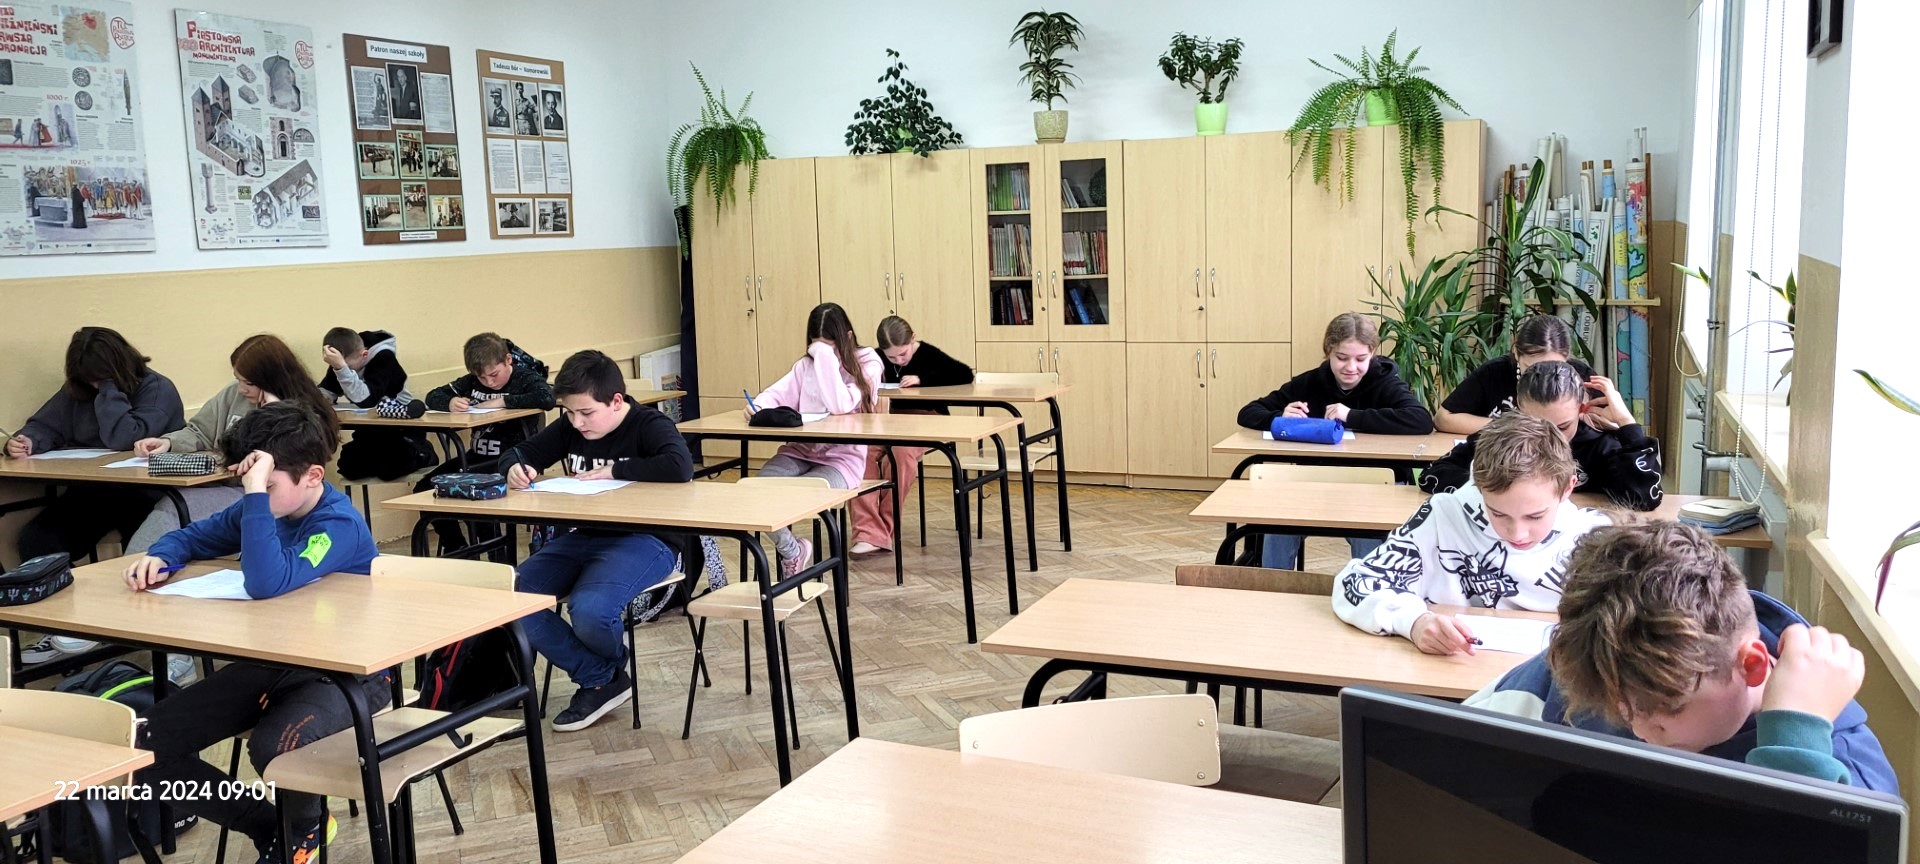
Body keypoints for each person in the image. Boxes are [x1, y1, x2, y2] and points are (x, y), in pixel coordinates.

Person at [128, 400, 386, 864]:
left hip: (347, 675)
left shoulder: (336, 525)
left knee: (276, 746)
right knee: (142, 747)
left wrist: (253, 498)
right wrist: (162, 555)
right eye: (252, 484)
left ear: (313, 476)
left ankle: (301, 830)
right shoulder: (270, 507)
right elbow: (191, 537)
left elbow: (266, 582)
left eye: (266, 485)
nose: (256, 495)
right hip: (273, 665)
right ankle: (271, 826)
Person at [1465, 521, 1898, 793]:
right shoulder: (1608, 666)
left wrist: (1793, 752)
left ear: (1751, 666)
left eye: (1665, 709)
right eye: (1621, 708)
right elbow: (1456, 754)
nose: (1638, 727)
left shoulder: (1846, 775)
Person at [500, 350, 692, 731]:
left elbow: (680, 464)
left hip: (647, 538)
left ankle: (602, 677)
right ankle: (602, 675)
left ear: (616, 401)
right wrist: (515, 468)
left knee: (589, 610)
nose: (577, 422)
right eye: (569, 413)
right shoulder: (571, 425)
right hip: (585, 535)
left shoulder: (648, 424)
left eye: (586, 413)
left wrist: (616, 470)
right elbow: (522, 451)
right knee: (509, 597)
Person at [1332, 412, 1610, 654]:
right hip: (1451, 674)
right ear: (1477, 484)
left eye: (1535, 516)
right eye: (1498, 513)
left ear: (1568, 488)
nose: (1517, 534)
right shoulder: (1443, 516)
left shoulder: (1595, 540)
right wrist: (1414, 622)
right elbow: (1355, 582)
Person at [1236, 312, 1433, 569]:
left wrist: (1351, 416)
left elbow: (1421, 420)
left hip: (1371, 486)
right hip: (1315, 482)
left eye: (1361, 359)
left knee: (1369, 535)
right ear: (1328, 351)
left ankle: (1366, 587)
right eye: (1341, 358)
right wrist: (1280, 418)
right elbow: (1248, 412)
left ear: (1373, 353)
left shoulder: (1385, 383)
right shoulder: (1310, 382)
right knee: (1277, 526)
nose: (1351, 367)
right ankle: (1272, 585)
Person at [126, 334, 340, 553]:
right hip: (219, 484)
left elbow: (289, 459)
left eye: (249, 383)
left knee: (173, 506)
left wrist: (275, 414)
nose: (241, 389)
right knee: (149, 503)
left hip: (260, 491)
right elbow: (200, 430)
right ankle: (145, 560)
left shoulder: (305, 410)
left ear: (272, 379)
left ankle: (139, 560)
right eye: (238, 380)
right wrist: (168, 443)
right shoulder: (231, 395)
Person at [7, 327, 184, 564]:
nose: (93, 384)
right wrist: (28, 440)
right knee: (37, 539)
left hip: (148, 490)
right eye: (89, 379)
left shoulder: (157, 389)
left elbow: (125, 438)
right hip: (95, 490)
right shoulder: (80, 388)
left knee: (142, 545)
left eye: (99, 377)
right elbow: (48, 423)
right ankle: (65, 586)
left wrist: (109, 389)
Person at [750, 303, 885, 574]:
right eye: (816, 346)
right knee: (756, 491)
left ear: (847, 337)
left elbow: (840, 404)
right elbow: (775, 394)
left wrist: (825, 357)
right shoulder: (805, 366)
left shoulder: (868, 363)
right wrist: (758, 406)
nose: (821, 353)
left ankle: (798, 559)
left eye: (829, 346)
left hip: (842, 460)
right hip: (799, 451)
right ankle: (793, 551)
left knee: (799, 494)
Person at [1422, 360, 1663, 510]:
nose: (1550, 438)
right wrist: (1499, 489)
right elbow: (1433, 474)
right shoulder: (1500, 437)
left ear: (1582, 409)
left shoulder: (1600, 446)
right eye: (1536, 425)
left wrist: (1627, 423)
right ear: (1518, 410)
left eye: (1562, 427)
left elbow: (1645, 498)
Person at [416, 333, 553, 555]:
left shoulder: (524, 378)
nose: (489, 382)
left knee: (480, 496)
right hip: (476, 458)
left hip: (510, 460)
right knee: (425, 487)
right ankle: (457, 546)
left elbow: (546, 397)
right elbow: (433, 396)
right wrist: (450, 402)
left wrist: (503, 401)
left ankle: (498, 558)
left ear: (508, 360)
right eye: (482, 377)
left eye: (494, 375)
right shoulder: (471, 382)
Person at [848, 315, 973, 557]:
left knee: (899, 454)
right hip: (888, 420)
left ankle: (881, 531)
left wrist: (923, 379)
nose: (898, 361)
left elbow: (964, 374)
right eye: (892, 357)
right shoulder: (875, 358)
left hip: (925, 418)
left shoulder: (928, 354)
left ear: (913, 339)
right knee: (860, 454)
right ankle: (867, 532)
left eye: (903, 354)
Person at [1435, 314, 1596, 434]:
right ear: (1516, 353)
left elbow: (1603, 429)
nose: (1542, 377)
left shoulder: (1582, 377)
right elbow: (1444, 418)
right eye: (1531, 369)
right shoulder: (1494, 372)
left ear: (1567, 359)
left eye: (1554, 367)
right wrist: (1514, 427)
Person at [318, 326, 430, 481]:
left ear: (364, 355)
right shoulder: (343, 363)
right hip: (369, 430)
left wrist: (342, 369)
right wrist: (323, 398)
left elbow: (367, 400)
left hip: (401, 430)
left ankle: (425, 454)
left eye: (347, 368)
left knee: (390, 469)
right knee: (349, 468)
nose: (342, 371)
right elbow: (327, 390)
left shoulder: (384, 358)